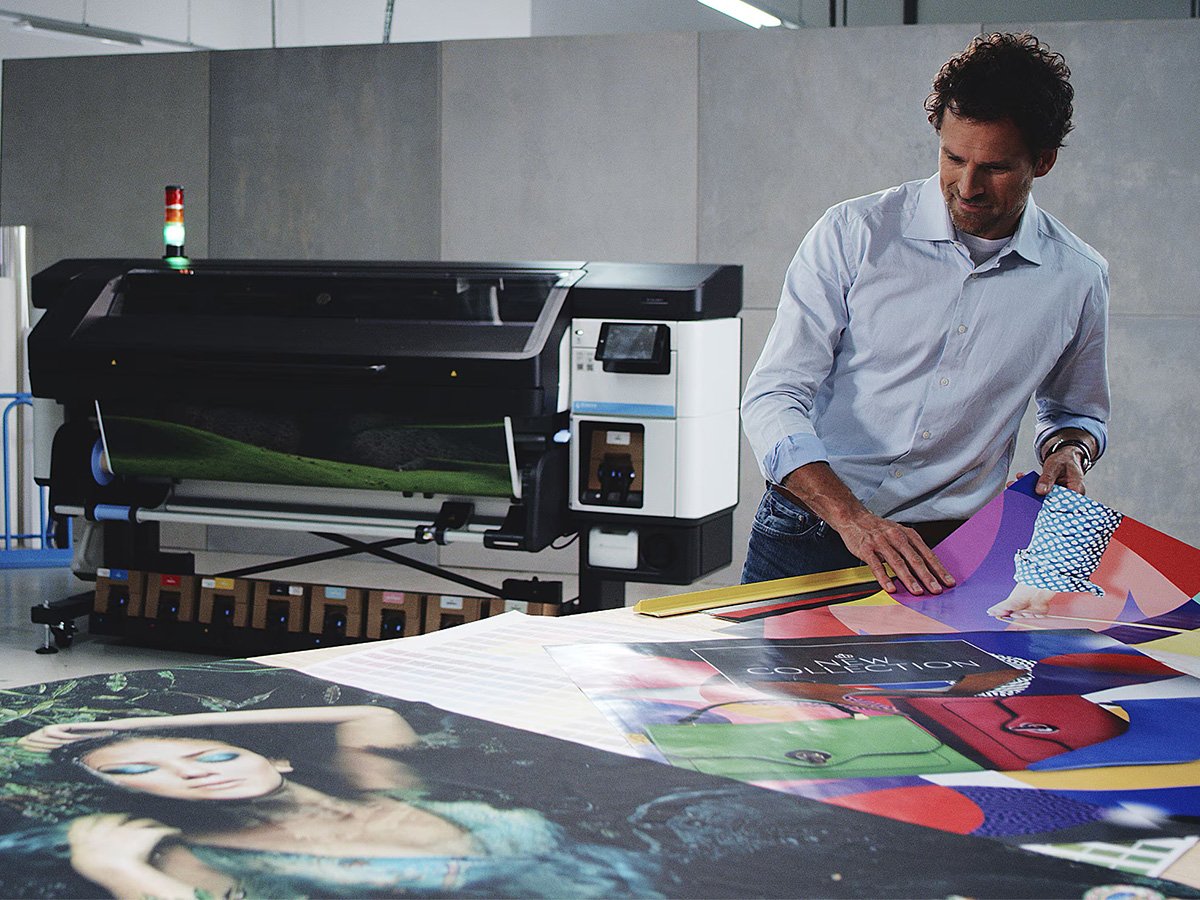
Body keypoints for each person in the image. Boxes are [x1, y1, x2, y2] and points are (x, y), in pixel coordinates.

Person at [741, 32, 1109, 596]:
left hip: (955, 552)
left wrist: (1068, 451)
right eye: (953, 157)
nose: (967, 186)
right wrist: (854, 521)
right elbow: (773, 396)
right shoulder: (853, 234)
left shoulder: (1078, 276)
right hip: (809, 529)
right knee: (772, 690)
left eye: (995, 167)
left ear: (1044, 160)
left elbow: (1076, 412)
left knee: (949, 691)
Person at [16, 705, 658, 898]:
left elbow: (369, 713)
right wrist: (119, 871)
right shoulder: (200, 853)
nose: (194, 774)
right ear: (125, 793)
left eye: (212, 754)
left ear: (276, 758)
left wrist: (107, 731)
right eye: (137, 770)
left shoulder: (386, 787)